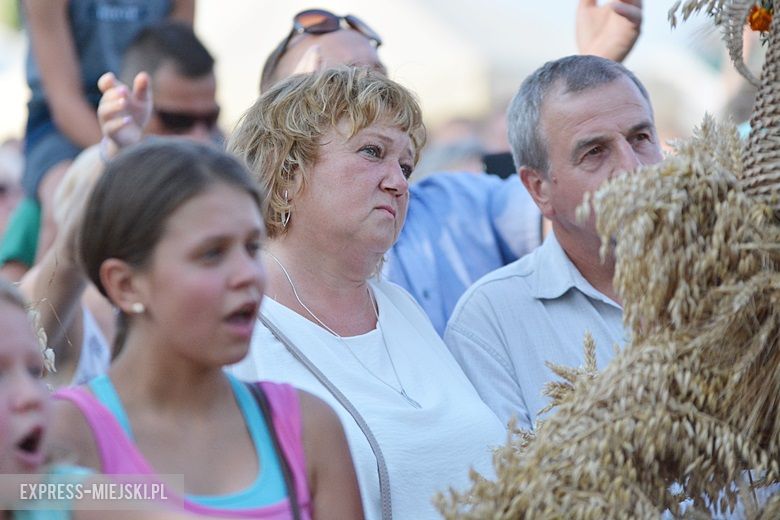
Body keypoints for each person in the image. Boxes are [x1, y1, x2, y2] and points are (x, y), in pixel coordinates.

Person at [256, 2, 644, 335]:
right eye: (337, 82)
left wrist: (595, 72)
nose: (371, 94)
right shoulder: (249, 283)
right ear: (285, 141)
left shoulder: (455, 202)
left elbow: (564, 203)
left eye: (378, 76)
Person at [227, 66, 506, 520]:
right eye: (372, 152)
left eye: (407, 166)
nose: (398, 182)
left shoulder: (401, 308)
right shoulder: (233, 325)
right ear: (287, 170)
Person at [47, 139, 363, 519]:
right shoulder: (62, 435)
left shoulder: (307, 427)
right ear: (125, 285)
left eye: (251, 248)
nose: (247, 274)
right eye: (211, 253)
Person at [444, 55, 665, 431]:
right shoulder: (490, 322)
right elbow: (510, 482)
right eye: (595, 151)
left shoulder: (739, 270)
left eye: (640, 138)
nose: (632, 168)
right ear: (539, 189)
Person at [20, 20, 222, 387]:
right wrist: (117, 152)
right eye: (177, 120)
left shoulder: (227, 181)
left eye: (210, 120)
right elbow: (54, 284)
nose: (200, 138)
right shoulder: (91, 174)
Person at [0, 0, 194, 282]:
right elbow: (64, 101)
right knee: (64, 208)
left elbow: (183, 63)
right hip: (60, 127)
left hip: (156, 113)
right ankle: (44, 321)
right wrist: (125, 153)